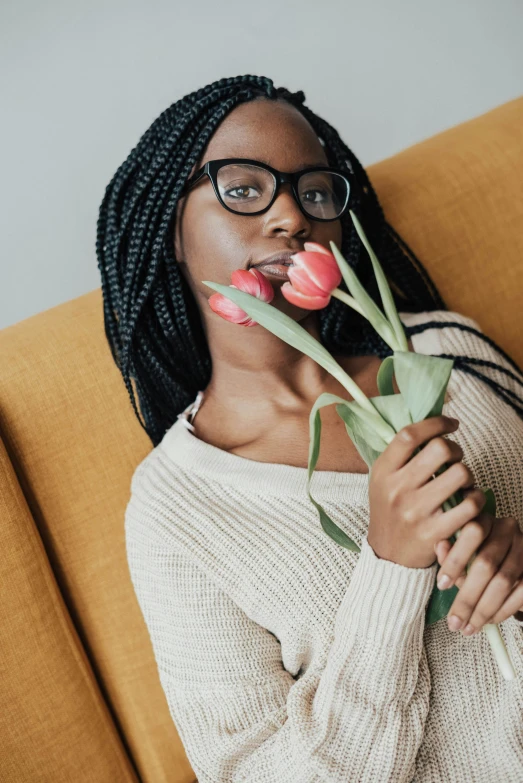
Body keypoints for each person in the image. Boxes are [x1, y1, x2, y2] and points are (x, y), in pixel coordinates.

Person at [97, 75, 523, 782]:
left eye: (314, 191)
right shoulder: (175, 512)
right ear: (171, 225)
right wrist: (390, 569)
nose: (290, 216)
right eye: (242, 188)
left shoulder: (449, 353)